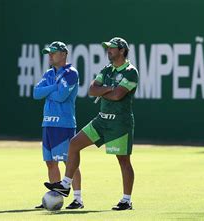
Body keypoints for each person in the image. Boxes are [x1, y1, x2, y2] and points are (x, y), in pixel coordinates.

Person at [44, 37, 139, 211]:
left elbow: (118, 96)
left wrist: (104, 91)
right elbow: (91, 90)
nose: (108, 50)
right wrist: (110, 89)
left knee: (123, 161)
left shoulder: (131, 72)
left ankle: (126, 200)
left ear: (122, 50)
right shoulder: (107, 69)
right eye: (107, 48)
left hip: (120, 123)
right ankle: (65, 185)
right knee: (74, 144)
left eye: (112, 48)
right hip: (101, 120)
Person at [33, 41, 84, 209]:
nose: (50, 55)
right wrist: (53, 87)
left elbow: (62, 96)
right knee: (50, 162)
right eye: (49, 53)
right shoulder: (49, 73)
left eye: (53, 52)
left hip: (64, 124)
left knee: (69, 162)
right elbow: (36, 93)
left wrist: (49, 90)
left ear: (63, 54)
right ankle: (55, 197)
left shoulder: (71, 73)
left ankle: (78, 199)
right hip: (47, 123)